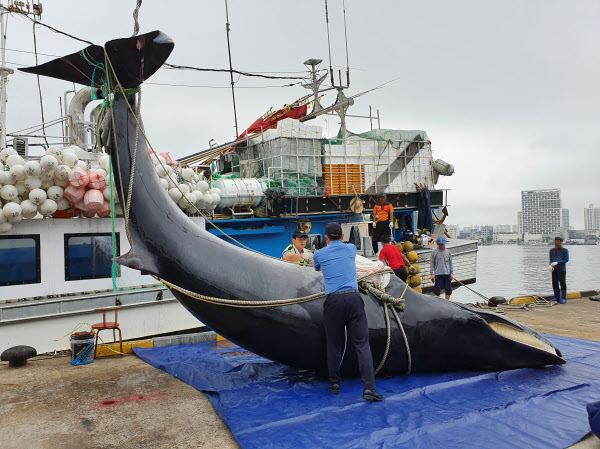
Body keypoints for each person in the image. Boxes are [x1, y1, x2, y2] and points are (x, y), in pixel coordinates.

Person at [313, 222, 383, 402]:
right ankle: (369, 389)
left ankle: (334, 383)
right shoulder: (351, 249)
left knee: (334, 344)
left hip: (333, 301)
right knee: (362, 345)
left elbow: (317, 268)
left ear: (326, 238)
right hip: (353, 299)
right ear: (342, 237)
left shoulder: (319, 253)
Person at [549, 236, 569, 304]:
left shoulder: (565, 250)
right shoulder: (552, 251)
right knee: (554, 283)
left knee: (562, 283)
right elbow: (551, 259)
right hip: (554, 270)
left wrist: (557, 262)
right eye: (555, 241)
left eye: (557, 242)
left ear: (561, 242)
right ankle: (556, 297)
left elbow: (566, 260)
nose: (556, 243)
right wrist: (551, 264)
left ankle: (563, 298)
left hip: (561, 270)